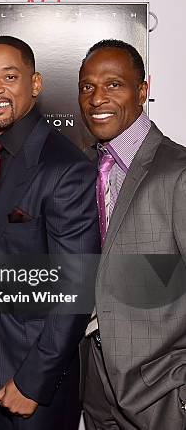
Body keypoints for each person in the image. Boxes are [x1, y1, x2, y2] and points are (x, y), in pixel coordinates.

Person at [0, 36, 100, 429]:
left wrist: (32, 381)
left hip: (38, 376)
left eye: (8, 76)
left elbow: (75, 288)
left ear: (36, 84)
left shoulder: (65, 167)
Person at [78, 39, 186, 429]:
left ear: (143, 91)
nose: (97, 98)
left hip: (162, 391)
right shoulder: (85, 168)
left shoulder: (178, 172)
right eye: (87, 86)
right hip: (95, 381)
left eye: (113, 85)